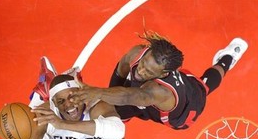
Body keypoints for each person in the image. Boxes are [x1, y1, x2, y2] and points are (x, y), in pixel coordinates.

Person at [69, 31, 248, 130]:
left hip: (185, 111)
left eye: (148, 71)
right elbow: (122, 67)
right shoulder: (138, 52)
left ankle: (227, 59)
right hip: (142, 95)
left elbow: (129, 96)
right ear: (146, 52)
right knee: (110, 107)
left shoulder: (159, 91)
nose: (141, 70)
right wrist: (109, 99)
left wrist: (99, 93)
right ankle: (117, 116)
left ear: (163, 74)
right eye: (144, 63)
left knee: (205, 86)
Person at [0, 57, 125, 139]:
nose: (68, 104)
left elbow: (119, 131)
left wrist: (62, 124)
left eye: (72, 96)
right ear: (55, 104)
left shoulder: (97, 106)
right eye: (61, 101)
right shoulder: (46, 116)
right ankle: (39, 99)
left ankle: (47, 89)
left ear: (82, 93)